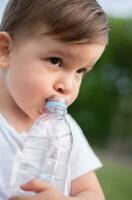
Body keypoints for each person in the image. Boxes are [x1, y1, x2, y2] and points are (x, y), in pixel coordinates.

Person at [0, 0, 109, 200]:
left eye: (80, 70)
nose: (67, 85)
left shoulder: (66, 130)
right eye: (55, 60)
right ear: (6, 50)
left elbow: (93, 194)